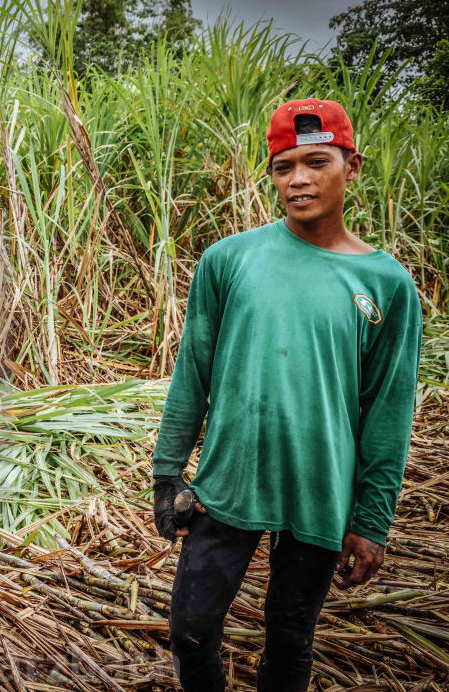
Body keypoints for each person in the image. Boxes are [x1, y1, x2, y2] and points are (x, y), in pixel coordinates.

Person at [152, 98, 423, 691]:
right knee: (190, 631)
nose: (298, 180)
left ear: (352, 166)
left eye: (316, 162)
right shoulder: (230, 260)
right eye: (283, 167)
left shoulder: (387, 284)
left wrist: (372, 520)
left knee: (290, 636)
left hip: (320, 489)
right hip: (228, 481)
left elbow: (388, 410)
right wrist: (167, 471)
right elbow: (192, 371)